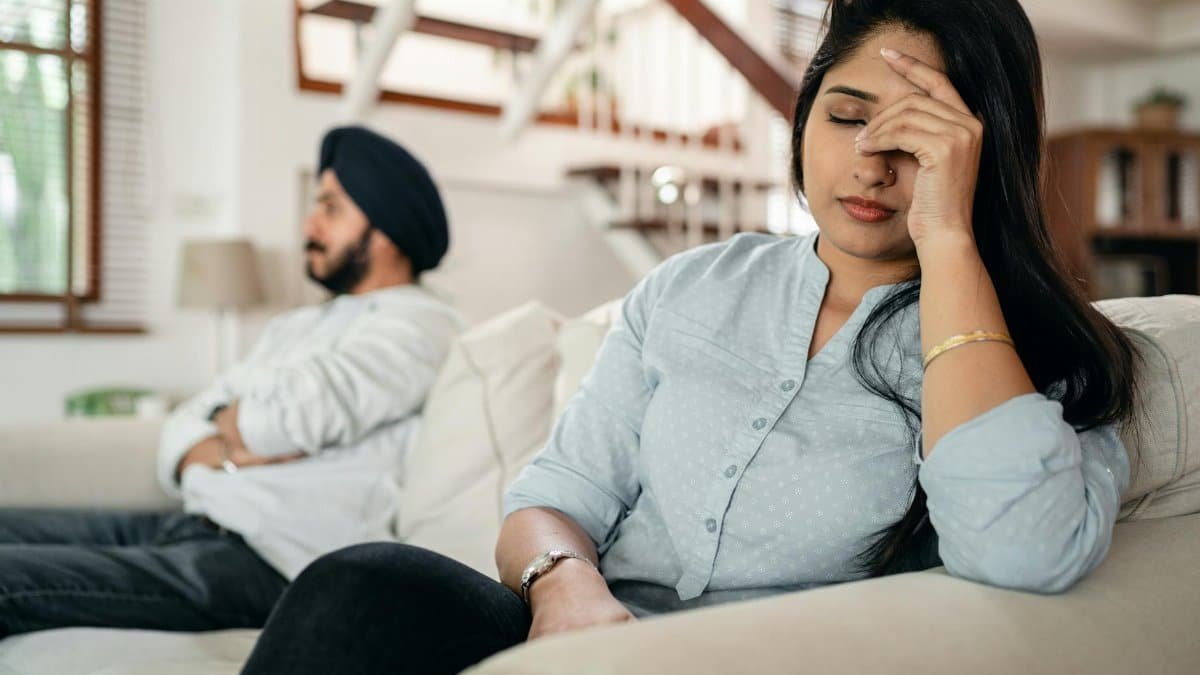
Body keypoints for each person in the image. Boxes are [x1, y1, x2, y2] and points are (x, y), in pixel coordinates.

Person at [240, 2, 1141, 673]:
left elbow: (1023, 549)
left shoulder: (1030, 356)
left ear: (980, 151)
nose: (871, 161)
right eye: (846, 114)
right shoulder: (691, 286)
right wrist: (565, 589)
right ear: (803, 117)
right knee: (356, 586)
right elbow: (555, 495)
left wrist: (948, 237)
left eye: (920, 138)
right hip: (572, 636)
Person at [0, 126, 461, 638]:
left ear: (388, 229)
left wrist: (236, 421)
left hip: (265, 564)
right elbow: (183, 425)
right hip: (193, 524)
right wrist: (226, 449)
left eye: (330, 209)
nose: (308, 224)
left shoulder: (421, 326)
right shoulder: (301, 325)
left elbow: (273, 422)